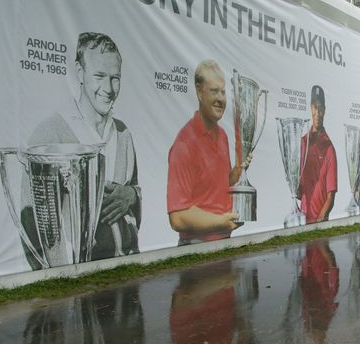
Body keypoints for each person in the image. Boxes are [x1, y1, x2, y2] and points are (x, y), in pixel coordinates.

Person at [22, 32, 140, 268]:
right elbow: (34, 223)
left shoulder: (123, 134)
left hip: (127, 271)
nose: (108, 88)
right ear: (79, 72)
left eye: (115, 78)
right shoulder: (50, 134)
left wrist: (132, 196)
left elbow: (134, 189)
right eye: (99, 76)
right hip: (80, 279)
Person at [167, 59, 245, 245]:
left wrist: (239, 169)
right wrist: (220, 221)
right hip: (197, 248)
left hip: (224, 241)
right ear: (199, 92)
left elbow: (221, 183)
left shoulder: (223, 136)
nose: (220, 98)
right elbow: (177, 216)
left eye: (223, 92)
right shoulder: (184, 145)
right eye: (214, 91)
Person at [299, 85, 338, 223]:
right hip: (302, 221)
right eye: (315, 107)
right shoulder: (303, 142)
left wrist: (318, 223)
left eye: (320, 108)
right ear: (310, 107)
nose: (317, 112)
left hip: (320, 223)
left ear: (324, 110)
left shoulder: (329, 149)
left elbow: (330, 198)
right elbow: (300, 193)